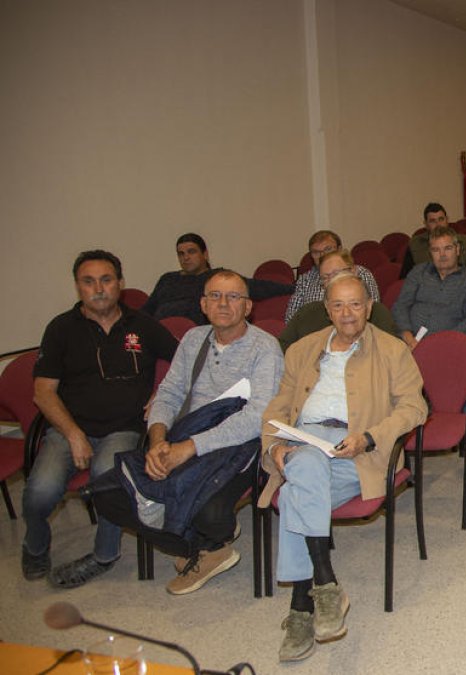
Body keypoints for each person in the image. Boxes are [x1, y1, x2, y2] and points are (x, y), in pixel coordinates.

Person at [259, 271, 428, 662]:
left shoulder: (391, 350)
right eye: (338, 304)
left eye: (355, 304)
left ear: (369, 307)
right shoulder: (302, 350)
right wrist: (274, 447)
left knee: (298, 490)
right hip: (304, 446)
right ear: (326, 309)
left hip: (358, 453)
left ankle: (302, 605)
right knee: (305, 468)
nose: (347, 313)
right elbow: (276, 409)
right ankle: (324, 585)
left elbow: (415, 407)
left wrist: (369, 436)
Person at [23, 250, 178, 587]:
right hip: (69, 429)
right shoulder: (61, 328)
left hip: (123, 429)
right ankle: (35, 546)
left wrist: (161, 395)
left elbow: (185, 364)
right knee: (39, 492)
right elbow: (43, 392)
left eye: (106, 280)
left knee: (108, 483)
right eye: (88, 281)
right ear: (78, 287)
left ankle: (104, 556)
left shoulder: (143, 326)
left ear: (120, 284)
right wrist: (74, 434)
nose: (99, 288)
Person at [143, 270, 283, 594]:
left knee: (209, 513)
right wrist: (158, 440)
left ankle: (210, 543)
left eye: (233, 297)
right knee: (135, 490)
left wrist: (190, 448)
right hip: (189, 433)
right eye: (215, 296)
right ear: (203, 304)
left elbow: (257, 417)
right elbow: (168, 394)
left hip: (238, 444)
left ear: (248, 306)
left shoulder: (265, 347)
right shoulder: (193, 340)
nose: (223, 304)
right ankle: (200, 546)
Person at [143, 233, 292, 324]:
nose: (186, 257)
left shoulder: (219, 278)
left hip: (200, 338)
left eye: (191, 252)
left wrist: (294, 288)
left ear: (205, 254)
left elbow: (258, 287)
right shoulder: (167, 279)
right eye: (181, 254)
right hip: (161, 336)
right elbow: (147, 310)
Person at [280, 250, 399, 352]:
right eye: (326, 277)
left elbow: (390, 354)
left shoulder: (376, 312)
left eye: (337, 273)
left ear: (353, 272)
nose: (332, 281)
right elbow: (282, 348)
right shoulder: (307, 312)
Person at [390, 226, 466, 349]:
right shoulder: (418, 272)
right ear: (430, 253)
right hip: (408, 342)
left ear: (457, 249)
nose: (442, 255)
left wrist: (438, 343)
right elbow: (400, 306)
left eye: (448, 248)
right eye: (436, 250)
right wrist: (408, 337)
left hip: (449, 346)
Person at [286, 230, 380, 323]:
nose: (322, 255)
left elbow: (374, 312)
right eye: (316, 252)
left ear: (339, 249)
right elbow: (291, 319)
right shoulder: (305, 279)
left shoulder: (360, 273)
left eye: (328, 249)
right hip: (313, 332)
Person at [401, 202, 466, 276]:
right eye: (432, 221)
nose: (438, 224)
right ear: (426, 224)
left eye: (441, 219)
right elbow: (404, 278)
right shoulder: (415, 244)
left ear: (447, 220)